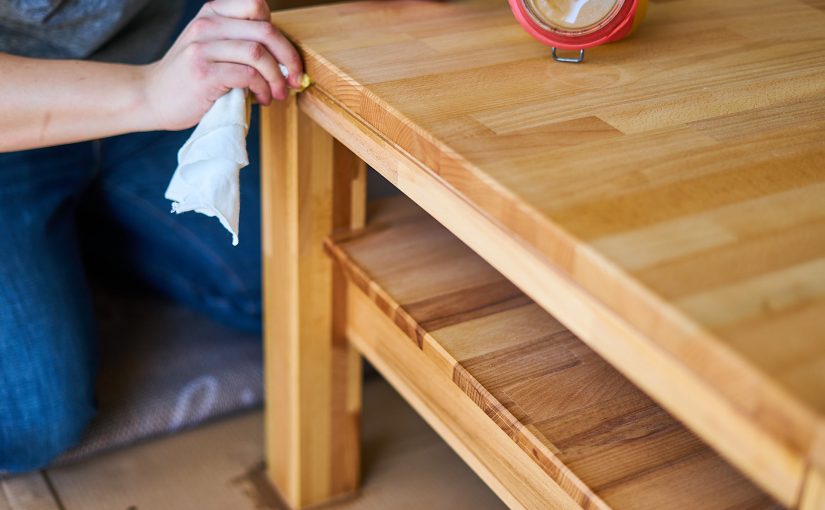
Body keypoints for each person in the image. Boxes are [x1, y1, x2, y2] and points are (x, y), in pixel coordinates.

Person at [0, 0, 302, 472]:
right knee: (26, 421)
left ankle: (89, 231)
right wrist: (149, 95)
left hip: (161, 46)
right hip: (19, 111)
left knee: (304, 289)